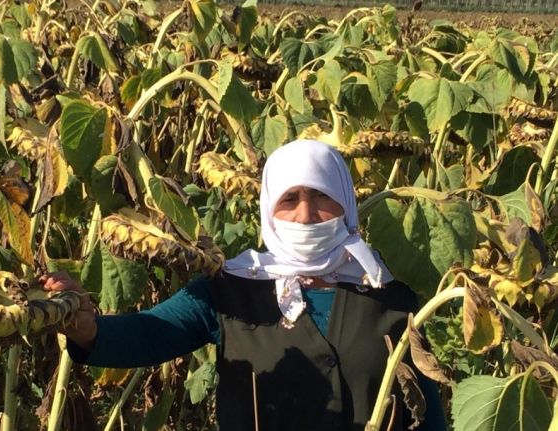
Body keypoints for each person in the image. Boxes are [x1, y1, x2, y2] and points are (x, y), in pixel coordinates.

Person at [41, 139, 446, 430]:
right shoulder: (231, 288)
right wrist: (86, 327)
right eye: (290, 199)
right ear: (268, 209)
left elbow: (426, 413)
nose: (306, 214)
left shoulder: (391, 294)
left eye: (322, 196)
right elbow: (150, 333)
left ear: (346, 201)